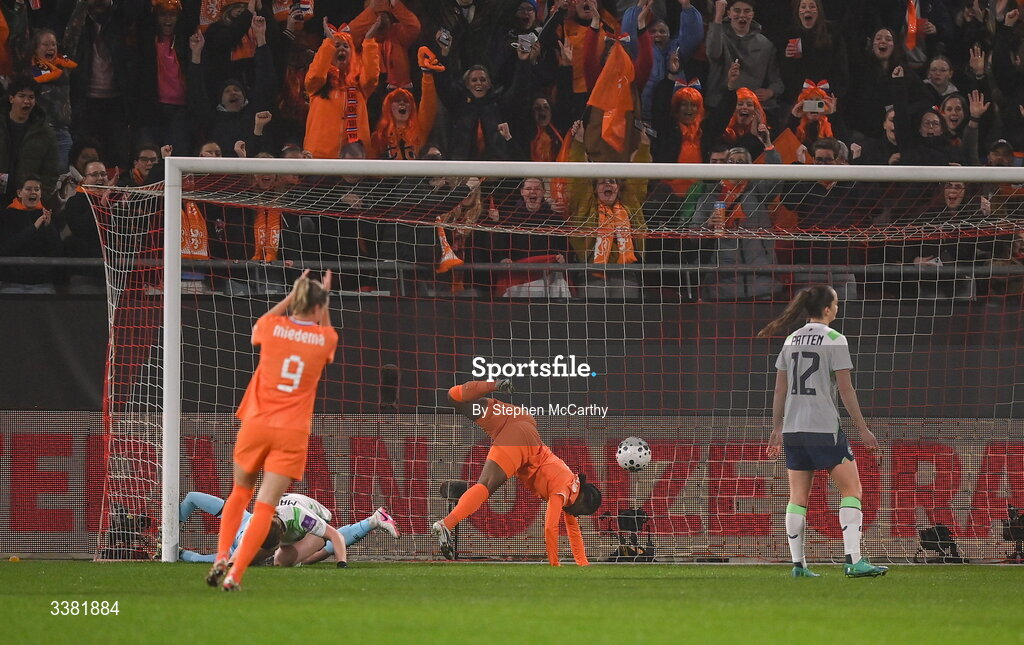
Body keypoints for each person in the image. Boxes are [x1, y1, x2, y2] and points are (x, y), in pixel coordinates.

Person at [206, 270, 340, 591]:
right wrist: (324, 298)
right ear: (319, 307)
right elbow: (326, 330)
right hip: (291, 433)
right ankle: (235, 575)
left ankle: (221, 557)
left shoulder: (274, 327)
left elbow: (257, 329)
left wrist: (290, 298)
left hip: (257, 422)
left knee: (240, 495)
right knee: (266, 508)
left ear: (296, 301)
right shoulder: (325, 339)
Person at [758, 284, 889, 579]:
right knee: (851, 490)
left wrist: (777, 429)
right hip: (822, 428)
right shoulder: (835, 339)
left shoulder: (791, 339)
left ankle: (798, 565)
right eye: (837, 304)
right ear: (828, 309)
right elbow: (845, 389)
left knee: (797, 497)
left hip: (793, 429)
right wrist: (863, 429)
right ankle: (854, 560)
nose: (838, 308)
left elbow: (780, 388)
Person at [430, 378, 603, 566]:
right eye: (582, 514)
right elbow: (550, 528)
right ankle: (445, 524)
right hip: (522, 442)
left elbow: (573, 529)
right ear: (583, 504)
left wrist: (583, 563)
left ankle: (494, 385)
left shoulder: (572, 485)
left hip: (518, 417)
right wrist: (555, 564)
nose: (577, 517)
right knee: (486, 486)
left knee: (456, 399)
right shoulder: (561, 493)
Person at [178, 491, 398, 565]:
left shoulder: (302, 518)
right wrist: (171, 528)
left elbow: (333, 536)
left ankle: (371, 521)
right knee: (300, 561)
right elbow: (191, 498)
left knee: (289, 561)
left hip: (313, 512)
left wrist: (180, 554)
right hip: (285, 515)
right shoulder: (239, 516)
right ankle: (373, 520)